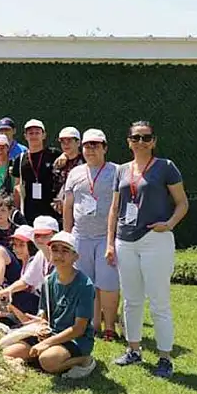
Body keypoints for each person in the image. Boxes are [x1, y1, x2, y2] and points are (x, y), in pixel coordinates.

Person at [106, 121, 189, 379]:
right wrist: (110, 242)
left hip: (155, 239)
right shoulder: (121, 170)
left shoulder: (166, 167)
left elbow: (182, 202)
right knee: (131, 300)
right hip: (125, 240)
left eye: (146, 138)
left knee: (159, 301)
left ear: (153, 141)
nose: (140, 142)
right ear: (128, 141)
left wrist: (170, 224)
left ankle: (165, 358)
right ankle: (133, 350)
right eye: (136, 138)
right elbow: (114, 208)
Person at [1, 232, 97, 379]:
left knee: (48, 361)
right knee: (8, 353)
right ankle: (43, 357)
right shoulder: (48, 281)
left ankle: (84, 360)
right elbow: (44, 314)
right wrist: (41, 325)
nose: (58, 255)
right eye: (55, 250)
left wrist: (47, 342)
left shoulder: (85, 285)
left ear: (75, 256)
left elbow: (79, 329)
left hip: (76, 339)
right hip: (51, 333)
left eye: (65, 251)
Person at [63, 129, 119, 341]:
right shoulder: (75, 173)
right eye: (87, 146)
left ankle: (110, 327)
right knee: (86, 283)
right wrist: (67, 237)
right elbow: (68, 206)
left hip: (106, 237)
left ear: (105, 147)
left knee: (108, 283)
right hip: (80, 236)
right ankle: (94, 324)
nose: (90, 149)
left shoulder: (116, 171)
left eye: (95, 145)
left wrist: (113, 240)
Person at [11, 119, 59, 221]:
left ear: (44, 135)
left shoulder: (54, 155)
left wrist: (65, 156)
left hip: (52, 211)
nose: (34, 136)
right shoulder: (19, 159)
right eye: (30, 133)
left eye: (37, 133)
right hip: (29, 212)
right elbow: (17, 187)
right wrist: (17, 210)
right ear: (25, 136)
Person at [52, 126, 85, 214]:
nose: (66, 144)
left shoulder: (86, 162)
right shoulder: (57, 163)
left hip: (80, 211)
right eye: (63, 141)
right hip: (60, 213)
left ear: (78, 143)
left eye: (69, 141)